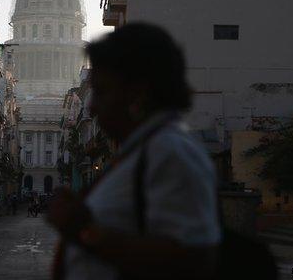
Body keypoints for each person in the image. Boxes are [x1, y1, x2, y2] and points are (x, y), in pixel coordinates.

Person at [47, 23, 221, 280]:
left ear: (137, 94)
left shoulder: (171, 152)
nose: (92, 108)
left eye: (102, 92)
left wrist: (83, 230)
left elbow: (192, 260)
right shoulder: (144, 151)